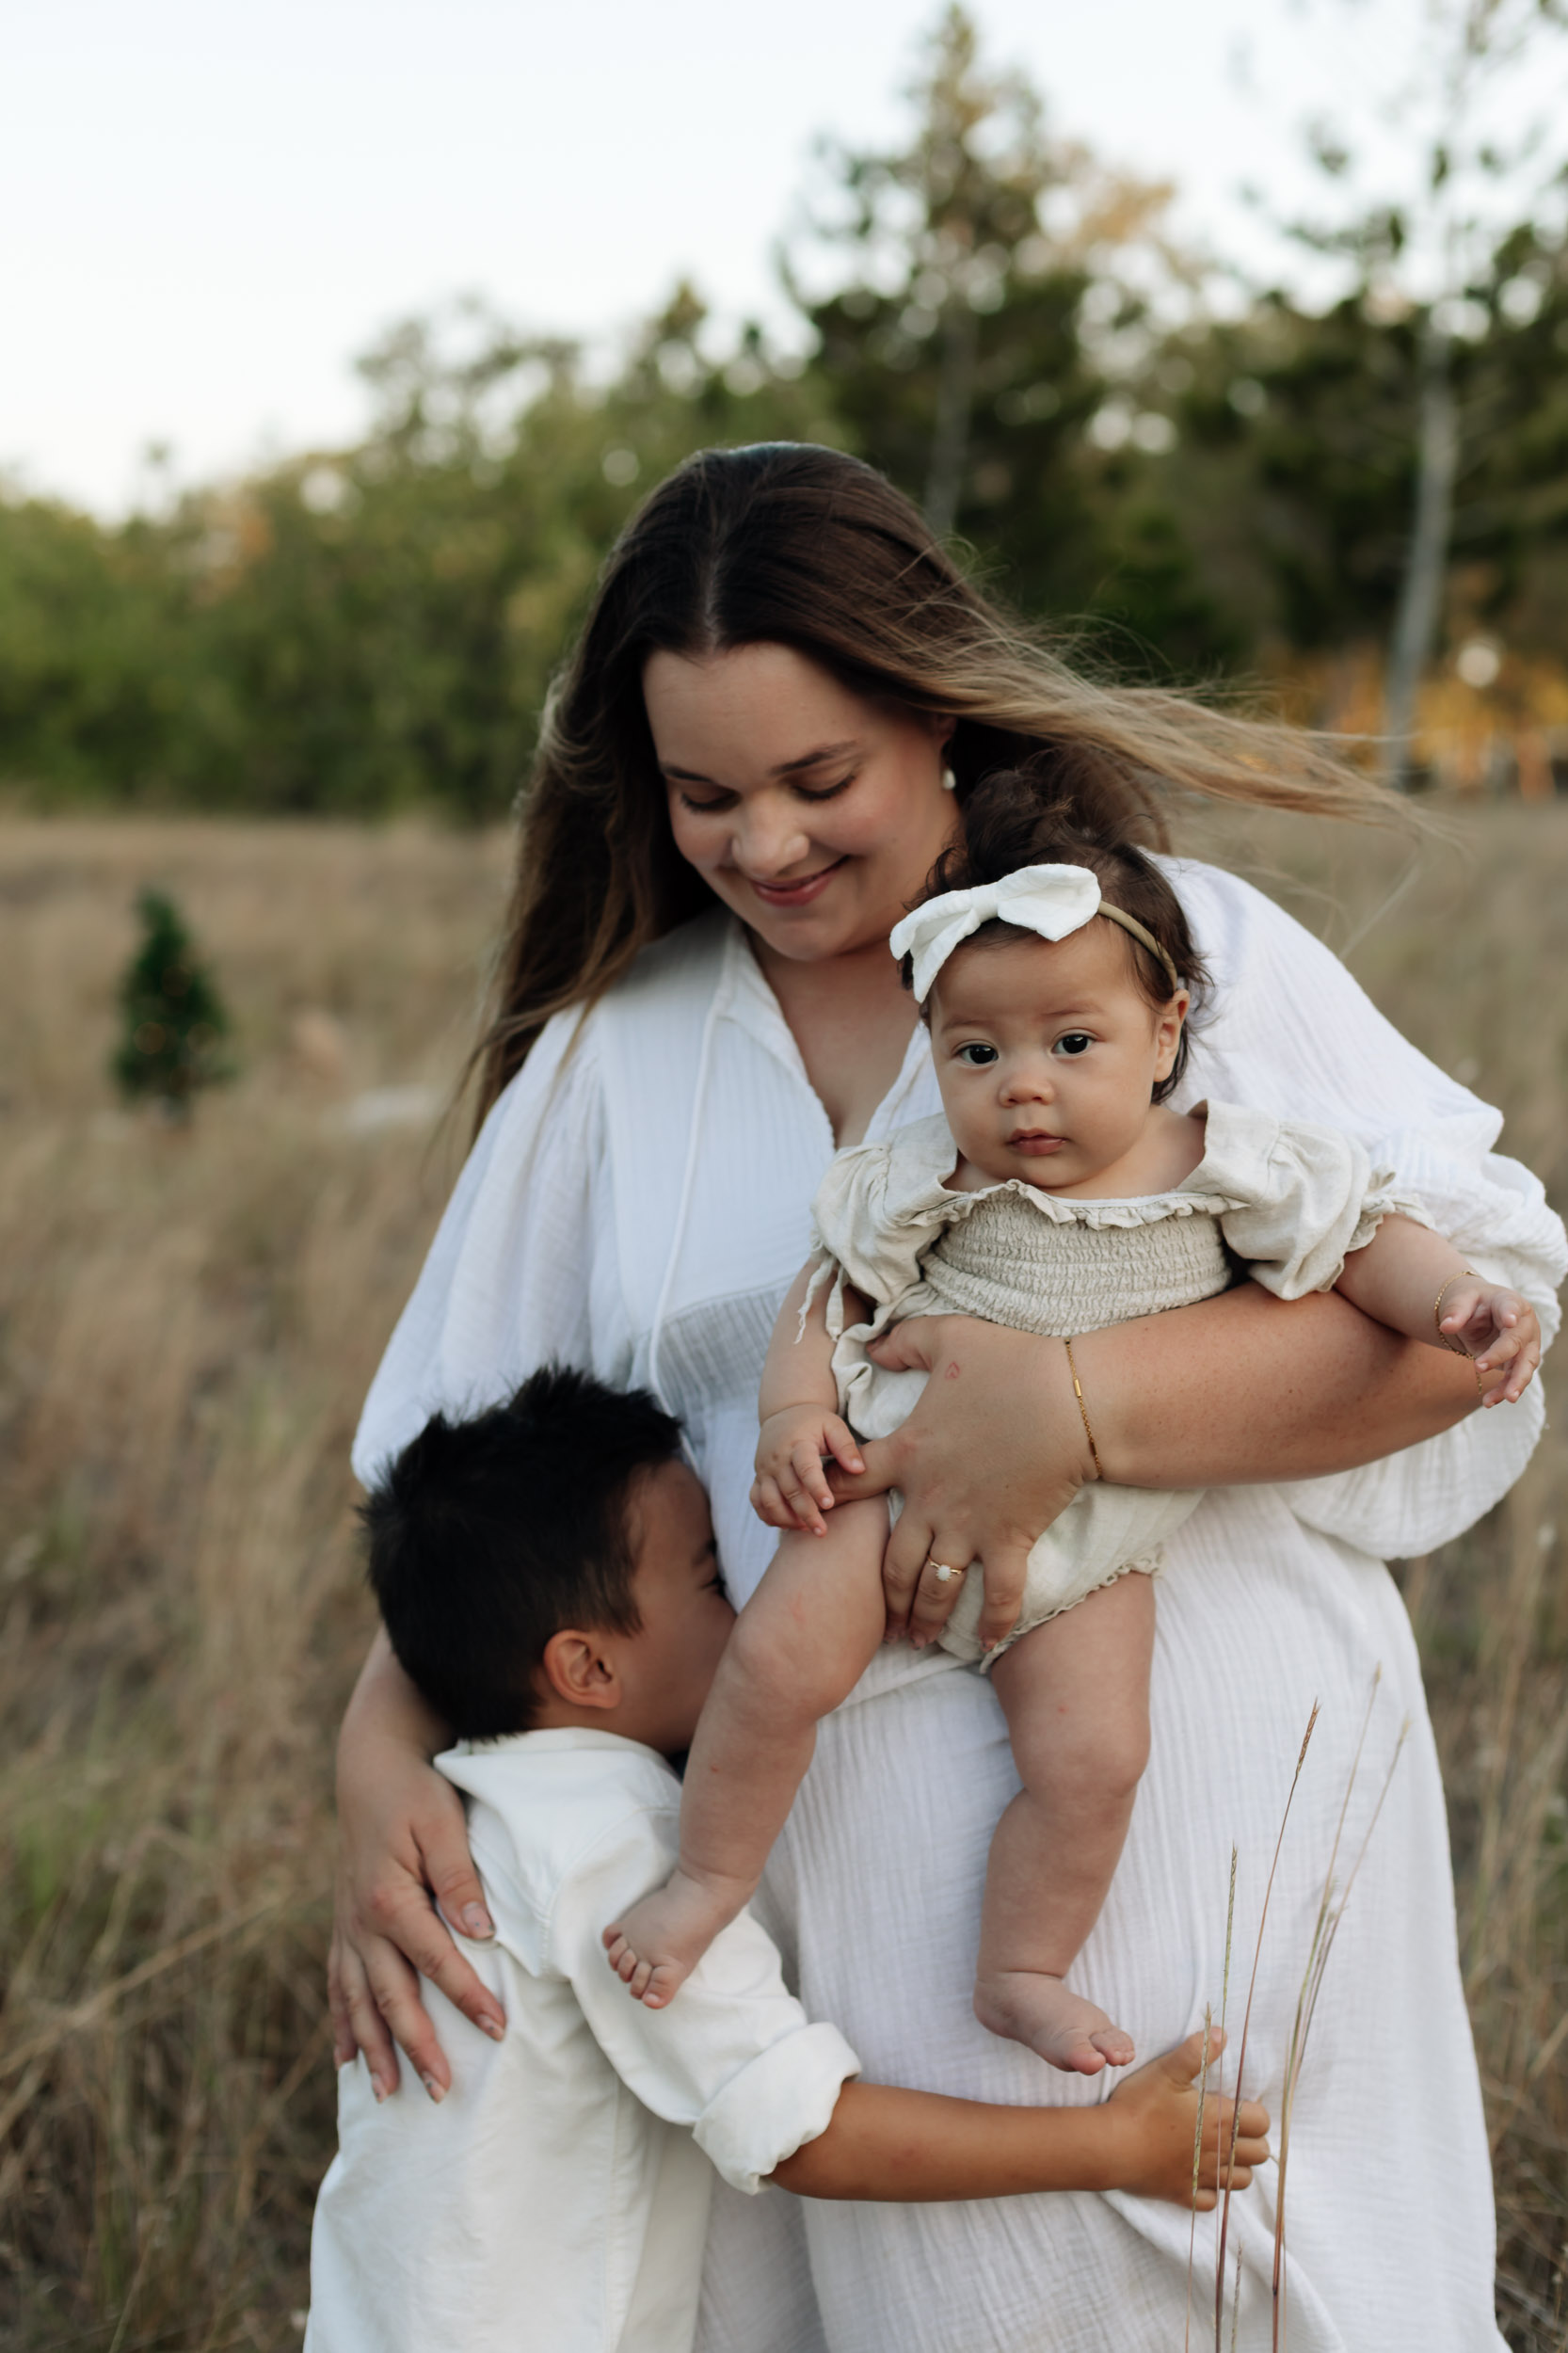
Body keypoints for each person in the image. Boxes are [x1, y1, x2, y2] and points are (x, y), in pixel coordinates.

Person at [331, 444, 1565, 2352]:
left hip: (1210, 1778)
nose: (764, 845)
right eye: (703, 795)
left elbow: (1463, 1323)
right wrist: (373, 1759)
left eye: (817, 780)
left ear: (935, 717)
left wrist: (1076, 1400)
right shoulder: (609, 1061)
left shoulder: (1174, 947)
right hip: (852, 1890)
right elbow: (472, 1484)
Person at [601, 781, 1541, 2079]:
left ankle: (1020, 1967)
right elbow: (833, 1287)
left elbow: (1364, 1241)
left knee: (1093, 1759)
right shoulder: (930, 1179)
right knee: (773, 1667)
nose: (1020, 1091)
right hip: (893, 1477)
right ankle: (704, 1881)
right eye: (974, 1054)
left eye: (1070, 1046)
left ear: (1163, 1034)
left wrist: (1456, 1302)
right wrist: (794, 1409)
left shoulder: (1229, 1163)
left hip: (1096, 1541)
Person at [306, 1366, 1267, 2353]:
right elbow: (803, 2131)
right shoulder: (616, 1841)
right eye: (715, 1579)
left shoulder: (472, 1804)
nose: (755, 1602)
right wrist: (1114, 2144)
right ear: (587, 1668)